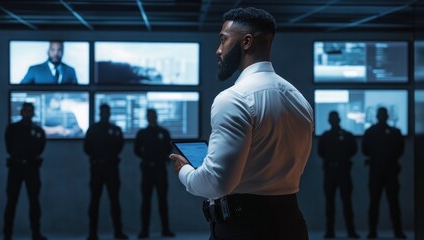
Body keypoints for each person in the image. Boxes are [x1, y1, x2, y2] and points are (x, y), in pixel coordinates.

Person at [169, 7, 314, 240]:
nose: (218, 50)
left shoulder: (234, 99)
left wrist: (183, 171)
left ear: (246, 42)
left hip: (245, 229)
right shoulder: (299, 99)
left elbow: (217, 184)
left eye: (223, 40)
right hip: (292, 225)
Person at [84, 104, 128, 240]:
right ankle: (92, 233)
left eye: (107, 112)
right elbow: (87, 148)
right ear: (100, 113)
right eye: (103, 112)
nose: (105, 114)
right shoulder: (93, 129)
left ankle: (118, 232)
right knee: (95, 201)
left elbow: (120, 146)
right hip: (97, 168)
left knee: (114, 201)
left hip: (111, 168)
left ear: (110, 113)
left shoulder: (115, 130)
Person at [3, 102, 47, 240]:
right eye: (25, 110)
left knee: (34, 202)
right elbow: (9, 147)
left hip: (32, 168)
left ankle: (36, 234)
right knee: (11, 202)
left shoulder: (38, 130)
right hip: (15, 168)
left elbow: (41, 147)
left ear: (33, 113)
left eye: (30, 111)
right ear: (21, 112)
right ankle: (7, 235)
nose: (27, 113)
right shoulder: (12, 129)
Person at [362, 107, 406, 239]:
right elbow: (365, 149)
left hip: (384, 171)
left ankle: (386, 231)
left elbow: (365, 150)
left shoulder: (374, 132)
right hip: (382, 171)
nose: (382, 117)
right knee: (378, 203)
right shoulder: (392, 132)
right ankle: (377, 231)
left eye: (383, 115)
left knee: (391, 203)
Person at [134, 109, 175, 239]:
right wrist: (147, 159)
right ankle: (144, 230)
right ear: (147, 118)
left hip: (160, 170)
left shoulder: (164, 132)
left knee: (162, 200)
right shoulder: (142, 133)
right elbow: (136, 150)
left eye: (153, 116)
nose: (151, 118)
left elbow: (169, 149)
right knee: (146, 201)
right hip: (147, 170)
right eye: (149, 116)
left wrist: (162, 159)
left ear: (156, 117)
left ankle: (165, 229)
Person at [318, 111, 359, 239]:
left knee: (346, 203)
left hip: (343, 172)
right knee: (330, 203)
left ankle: (350, 231)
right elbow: (321, 152)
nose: (334, 121)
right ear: (329, 121)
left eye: (335, 119)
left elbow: (353, 149)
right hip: (331, 172)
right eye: (332, 119)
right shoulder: (325, 136)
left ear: (338, 120)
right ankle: (330, 231)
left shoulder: (347, 135)